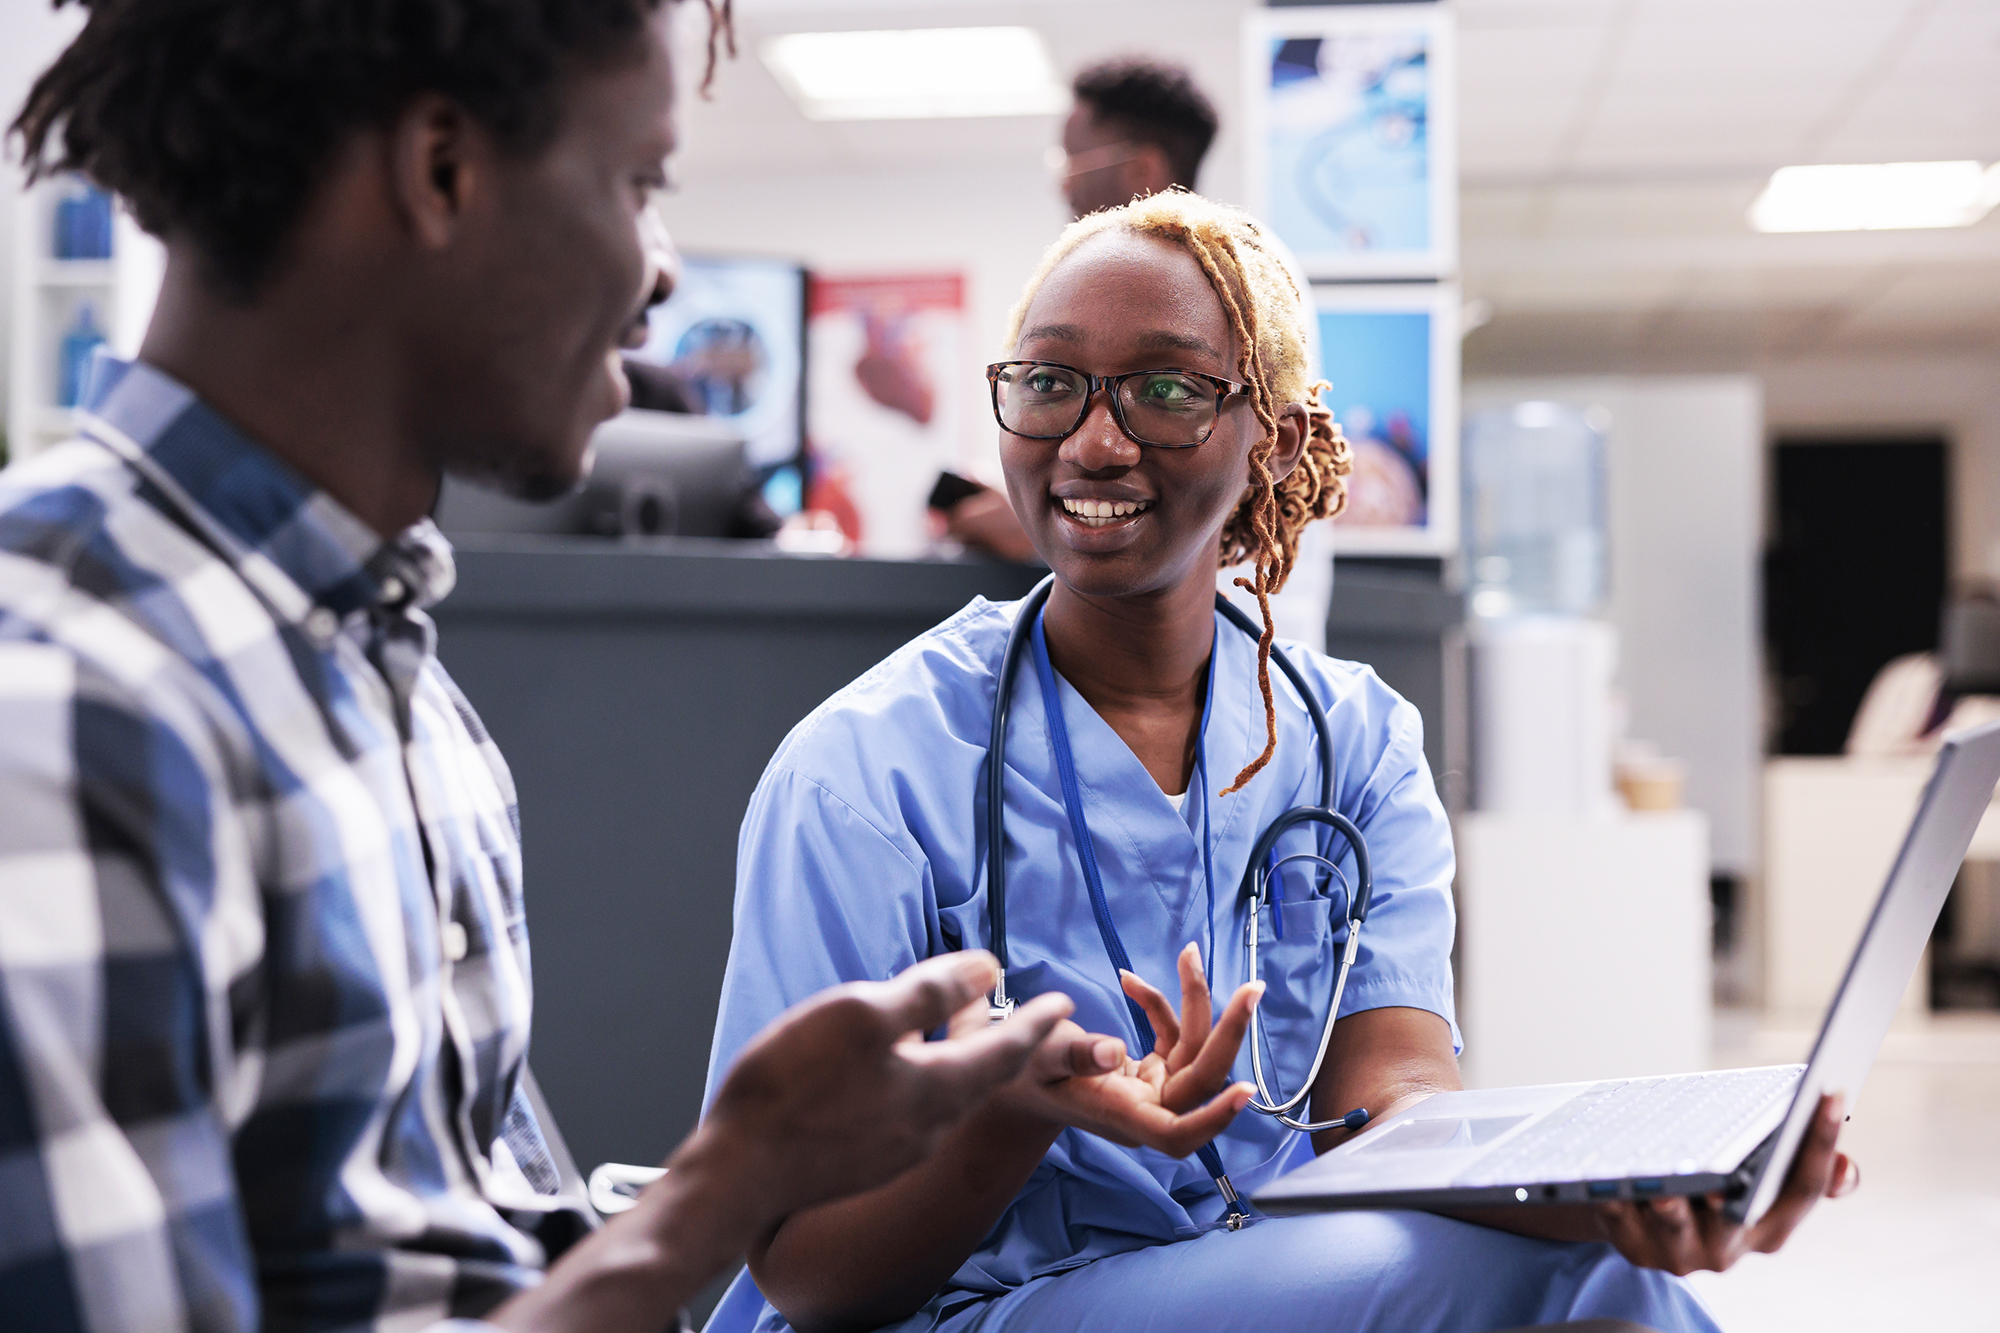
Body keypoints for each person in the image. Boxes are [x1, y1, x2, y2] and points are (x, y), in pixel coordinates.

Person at [0, 3, 1082, 1330]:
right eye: (639, 183)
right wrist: (730, 1189)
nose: (665, 270)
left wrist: (794, 1168)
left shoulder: (403, 689)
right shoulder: (61, 712)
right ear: (442, 170)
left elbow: (471, 1260)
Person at [703, 191, 1859, 1333]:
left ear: (1278, 437)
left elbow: (1390, 1111)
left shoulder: (1350, 741)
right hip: (963, 1313)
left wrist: (1616, 1199)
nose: (1095, 440)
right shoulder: (865, 774)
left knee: (1606, 1279)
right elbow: (805, 1277)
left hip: (1260, 1278)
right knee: (1584, 1301)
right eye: (1050, 383)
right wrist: (1011, 1113)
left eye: (1166, 390)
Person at [941, 57, 1335, 649]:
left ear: (1144, 168)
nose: (1065, 183)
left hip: (1234, 634)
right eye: (1051, 381)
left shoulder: (1244, 277)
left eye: (1167, 388)